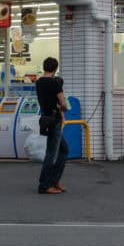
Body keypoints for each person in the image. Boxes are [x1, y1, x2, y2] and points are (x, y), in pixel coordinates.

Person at [37, 57, 69, 194]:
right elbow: (63, 104)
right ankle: (44, 185)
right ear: (55, 69)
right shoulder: (55, 84)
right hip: (54, 120)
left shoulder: (39, 82)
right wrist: (63, 109)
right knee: (51, 153)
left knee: (63, 149)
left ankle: (54, 180)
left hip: (45, 118)